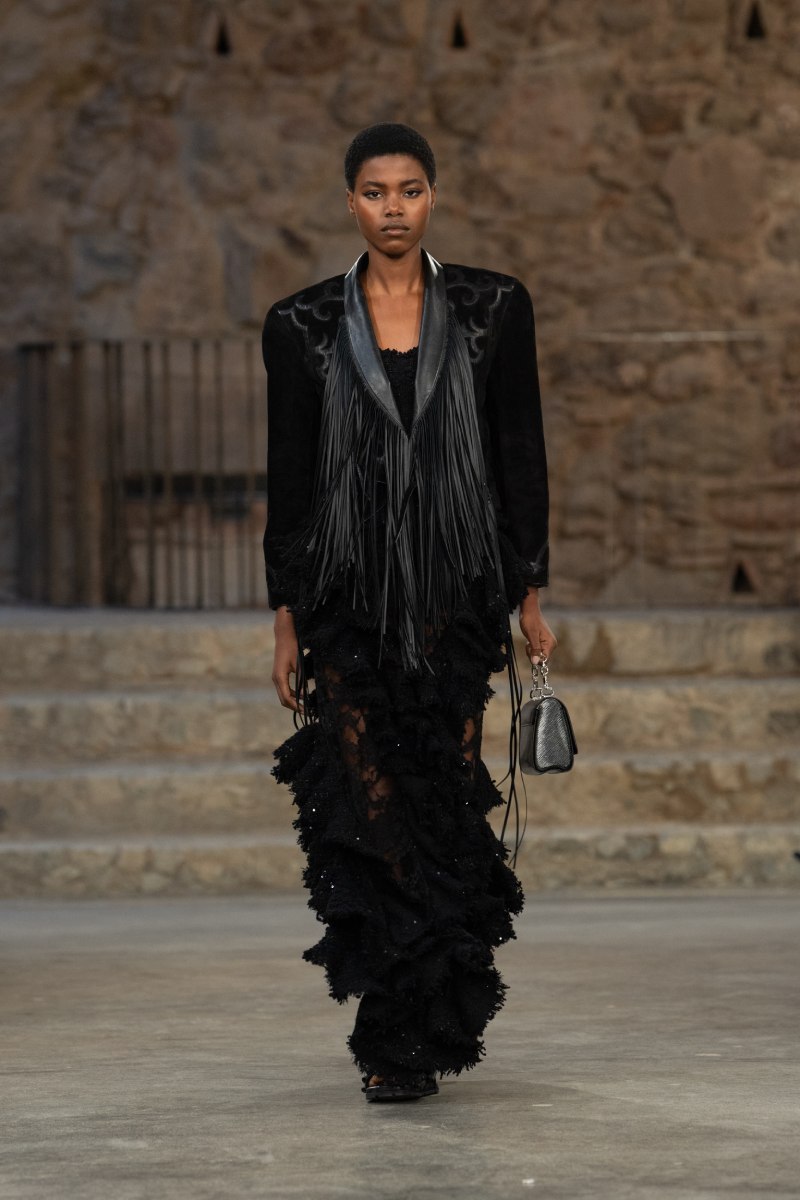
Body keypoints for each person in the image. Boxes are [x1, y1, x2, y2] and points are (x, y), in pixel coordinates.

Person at [261, 122, 556, 1103]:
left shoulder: (491, 308)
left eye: (410, 189)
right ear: (350, 201)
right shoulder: (301, 324)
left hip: (454, 597)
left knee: (439, 801)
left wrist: (529, 592)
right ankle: (394, 1029)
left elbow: (519, 453)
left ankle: (432, 1019)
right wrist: (284, 618)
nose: (393, 208)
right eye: (375, 191)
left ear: (434, 197)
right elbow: (290, 482)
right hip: (345, 600)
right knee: (368, 804)